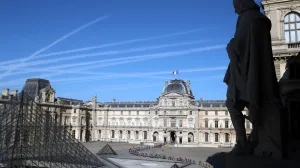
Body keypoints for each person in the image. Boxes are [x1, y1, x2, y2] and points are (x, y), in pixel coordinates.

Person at [224, 0, 281, 155]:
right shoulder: (258, 18)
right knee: (251, 103)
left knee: (232, 103)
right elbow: (248, 44)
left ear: (242, 4)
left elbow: (240, 45)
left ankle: (242, 141)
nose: (235, 11)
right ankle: (254, 136)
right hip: (252, 69)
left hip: (245, 70)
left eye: (236, 7)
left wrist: (230, 46)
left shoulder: (247, 18)